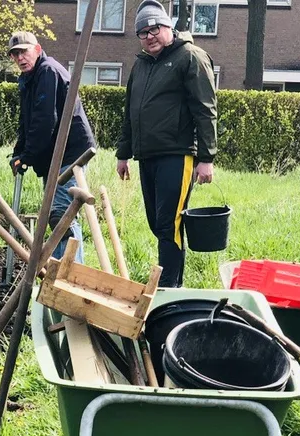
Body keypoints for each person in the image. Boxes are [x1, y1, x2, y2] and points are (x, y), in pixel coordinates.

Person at [115, 0, 217, 287]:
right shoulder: (141, 64)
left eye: (155, 29)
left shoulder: (190, 57)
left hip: (177, 154)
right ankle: (172, 285)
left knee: (169, 224)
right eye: (143, 32)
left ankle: (169, 288)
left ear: (168, 26)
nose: (150, 36)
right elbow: (130, 112)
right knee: (156, 223)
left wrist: (206, 159)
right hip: (147, 155)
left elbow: (206, 110)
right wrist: (123, 154)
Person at [8, 31, 96, 262]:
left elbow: (45, 120)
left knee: (62, 216)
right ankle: (59, 269)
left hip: (70, 152)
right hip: (54, 155)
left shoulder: (47, 71)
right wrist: (19, 153)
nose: (20, 58)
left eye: (24, 52)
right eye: (15, 54)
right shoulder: (29, 78)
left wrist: (28, 155)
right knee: (58, 215)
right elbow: (27, 121)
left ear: (37, 50)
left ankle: (70, 271)